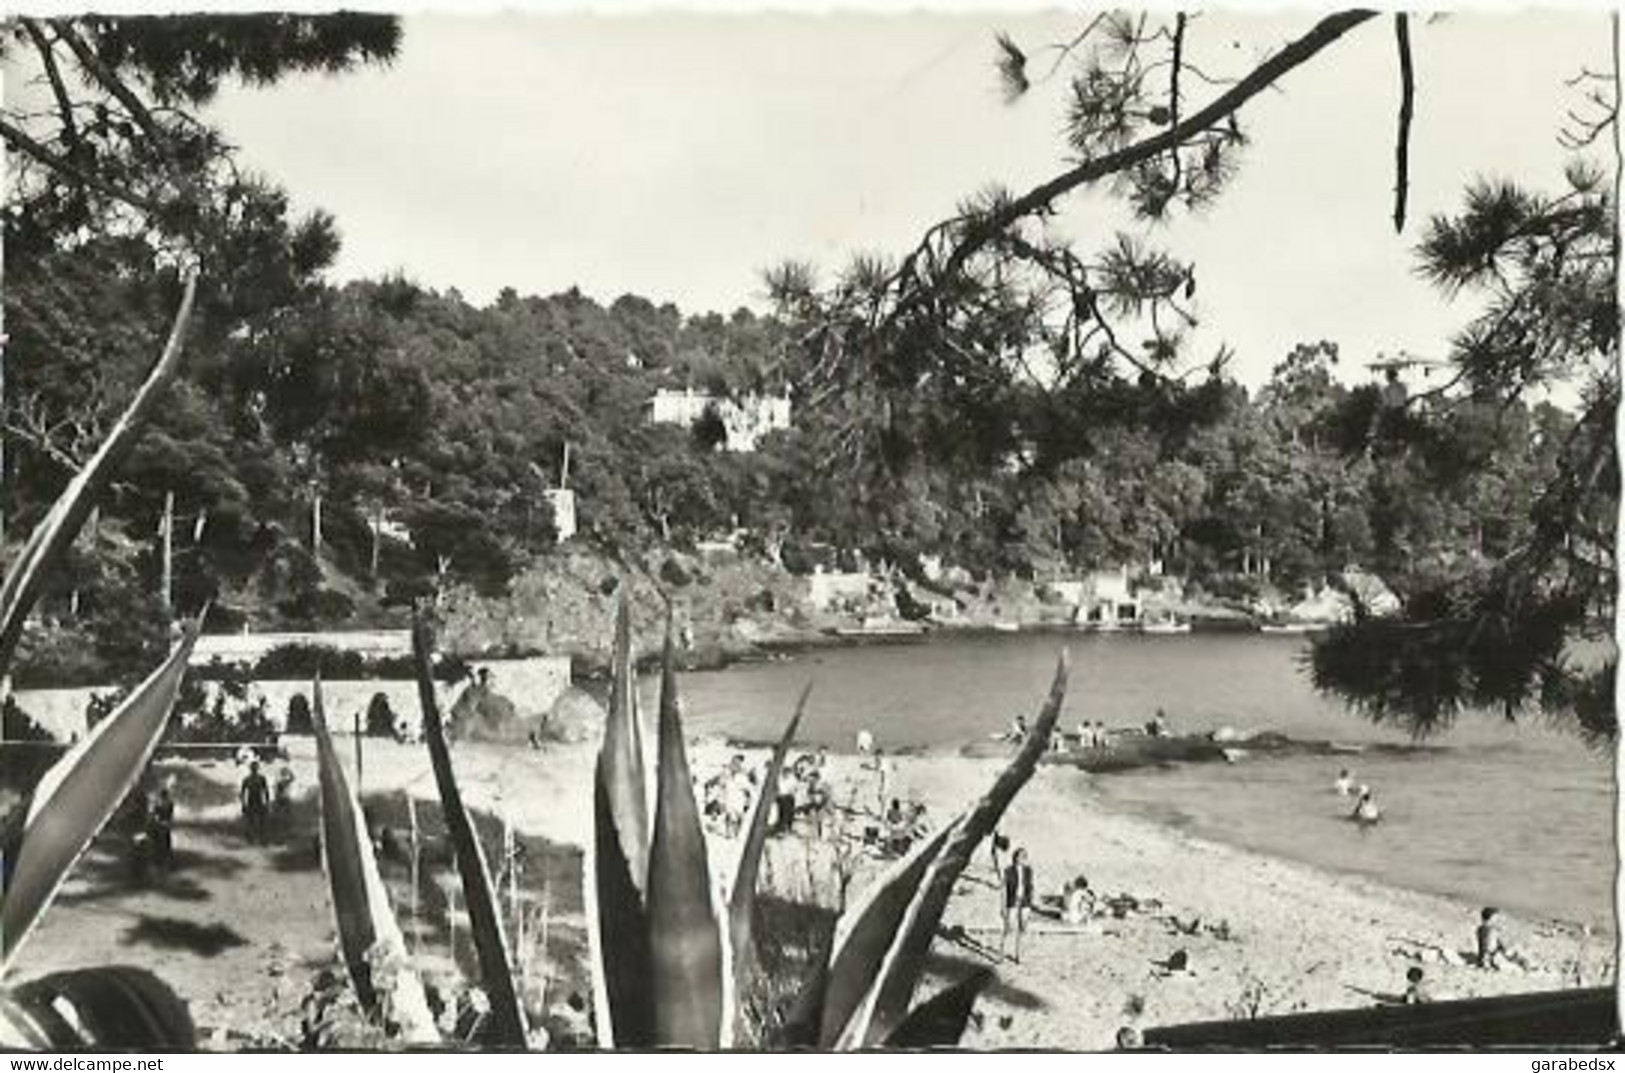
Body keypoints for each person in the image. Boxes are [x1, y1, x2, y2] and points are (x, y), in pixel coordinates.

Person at [1000, 847, 1035, 963]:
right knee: (1008, 928)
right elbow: (1004, 890)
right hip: (1012, 901)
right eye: (1018, 857)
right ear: (1014, 858)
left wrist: (1030, 904)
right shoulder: (1008, 871)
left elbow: (1030, 887)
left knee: (1022, 928)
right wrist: (1003, 906)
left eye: (1023, 857)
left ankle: (1018, 954)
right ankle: (1001, 953)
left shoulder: (1028, 870)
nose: (1020, 859)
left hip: (1025, 901)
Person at [146, 782, 175, 872]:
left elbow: (154, 815)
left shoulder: (159, 804)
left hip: (159, 826)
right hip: (166, 825)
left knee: (157, 844)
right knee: (166, 844)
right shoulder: (170, 803)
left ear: (161, 795)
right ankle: (167, 863)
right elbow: (169, 814)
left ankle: (158, 863)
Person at [241, 760, 271, 844]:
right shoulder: (247, 779)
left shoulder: (261, 778)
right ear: (250, 769)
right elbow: (242, 793)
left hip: (259, 801)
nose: (254, 769)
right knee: (250, 821)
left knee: (262, 821)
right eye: (253, 768)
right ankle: (250, 840)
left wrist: (267, 803)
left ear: (257, 768)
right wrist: (243, 804)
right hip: (251, 801)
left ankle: (263, 840)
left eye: (255, 767)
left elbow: (266, 791)